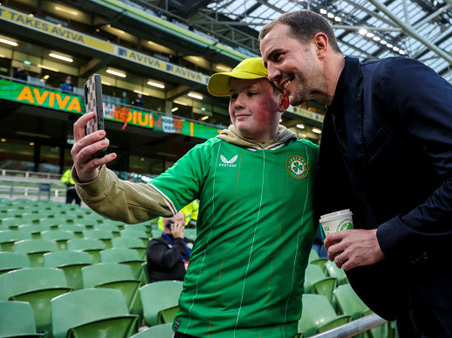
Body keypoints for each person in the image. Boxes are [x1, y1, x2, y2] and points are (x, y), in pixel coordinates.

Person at [259, 10, 452, 337]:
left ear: (320, 44)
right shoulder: (333, 126)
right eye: (267, 64)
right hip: (420, 309)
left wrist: (382, 239)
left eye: (278, 56)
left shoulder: (394, 79)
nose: (271, 72)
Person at [70, 57, 318, 337]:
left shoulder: (310, 158)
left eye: (251, 93)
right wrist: (92, 176)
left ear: (282, 102)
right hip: (202, 326)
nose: (237, 103)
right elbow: (141, 200)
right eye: (233, 95)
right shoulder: (208, 154)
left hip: (276, 329)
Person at [147, 211, 192, 283]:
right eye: (180, 220)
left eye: (184, 219)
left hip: (191, 284)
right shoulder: (155, 244)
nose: (184, 223)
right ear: (168, 223)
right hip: (167, 288)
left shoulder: (187, 242)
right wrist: (178, 240)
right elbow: (168, 262)